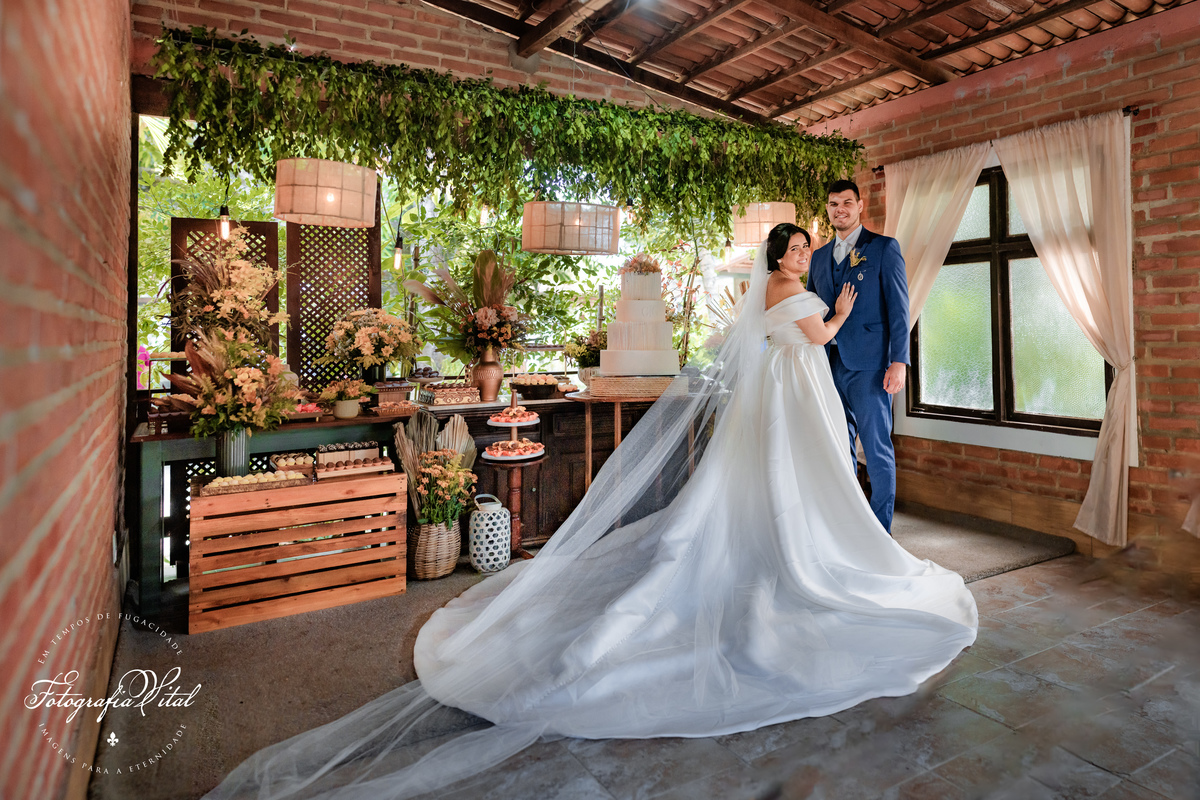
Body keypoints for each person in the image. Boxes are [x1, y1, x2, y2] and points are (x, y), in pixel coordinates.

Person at [205, 227, 976, 800]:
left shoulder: (770, 293)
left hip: (784, 398)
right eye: (798, 248)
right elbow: (823, 336)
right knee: (797, 493)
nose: (805, 256)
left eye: (810, 248)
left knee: (784, 490)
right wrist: (839, 306)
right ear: (780, 255)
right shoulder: (794, 292)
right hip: (795, 395)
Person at [808, 179, 911, 534]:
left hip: (870, 367)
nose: (841, 209)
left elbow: (900, 310)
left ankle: (880, 532)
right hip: (827, 365)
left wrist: (899, 362)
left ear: (860, 205)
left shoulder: (883, 248)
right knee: (839, 446)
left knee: (877, 448)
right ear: (827, 209)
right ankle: (850, 527)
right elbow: (809, 309)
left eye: (847, 203)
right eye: (834, 203)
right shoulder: (818, 258)